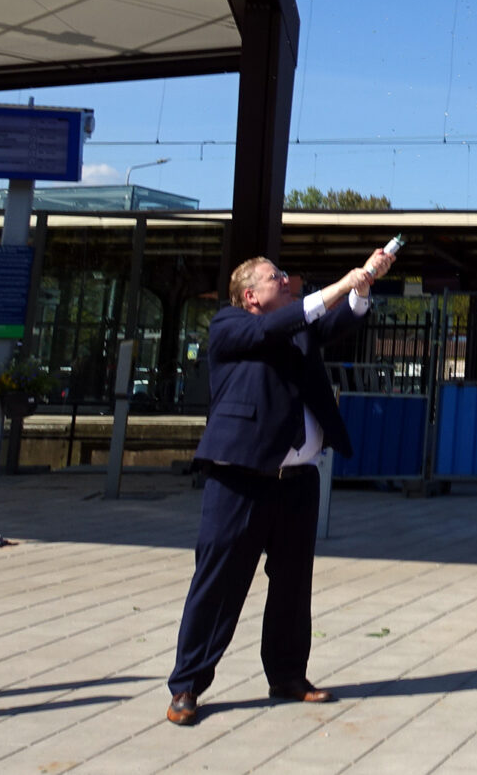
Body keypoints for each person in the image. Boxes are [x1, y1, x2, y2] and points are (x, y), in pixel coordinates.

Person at [165, 246, 394, 726]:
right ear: (250, 295)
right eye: (276, 276)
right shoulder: (230, 325)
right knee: (220, 581)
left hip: (297, 479)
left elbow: (335, 323)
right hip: (240, 475)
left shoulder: (297, 327)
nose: (286, 279)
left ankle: (288, 675)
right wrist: (339, 284)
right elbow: (281, 324)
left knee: (293, 584)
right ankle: (188, 683)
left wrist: (362, 287)